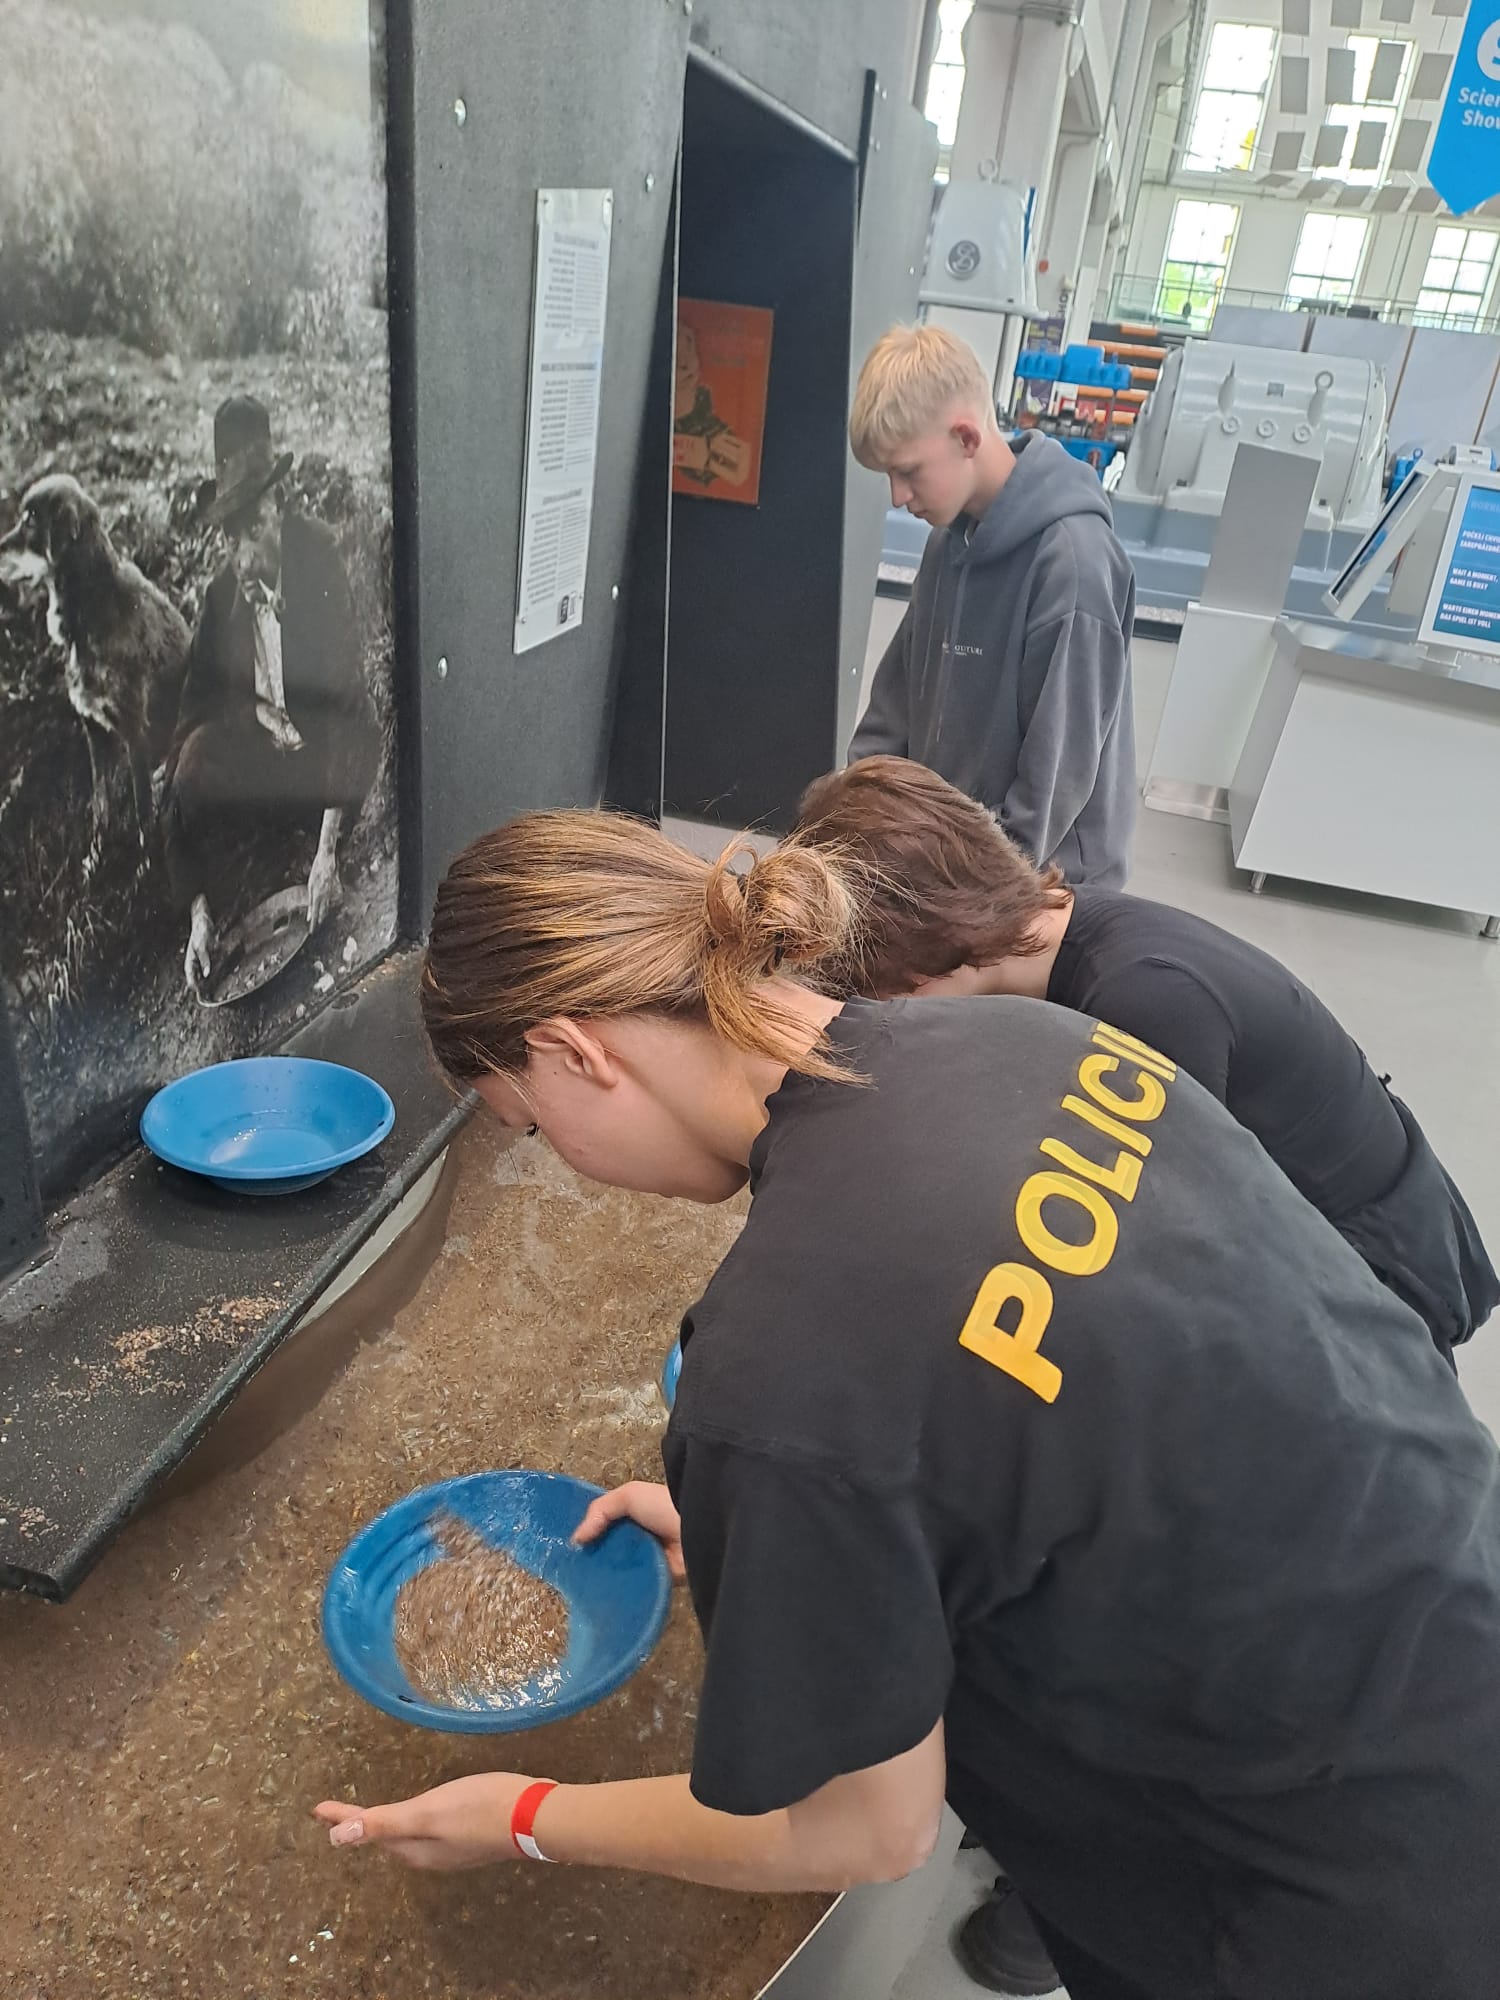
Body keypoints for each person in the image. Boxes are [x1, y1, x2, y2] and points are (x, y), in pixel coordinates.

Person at [314, 809, 1500, 2000]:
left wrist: (522, 1814)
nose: (565, 1158)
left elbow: (863, 1830)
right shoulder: (1034, 1038)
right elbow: (1093, 1389)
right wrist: (795, 1537)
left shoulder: (780, 1373)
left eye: (529, 1125)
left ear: (574, 1050)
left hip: (1339, 1892)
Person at [793, 755, 1500, 1992]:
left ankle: (1087, 1860)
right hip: (1282, 1247)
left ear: (913, 974)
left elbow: (1154, 1287)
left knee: (1171, 1556)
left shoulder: (1142, 999)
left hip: (1363, 1264)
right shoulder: (1076, 945)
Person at [849, 323, 1137, 888]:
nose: (897, 497)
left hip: (1041, 888)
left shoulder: (1073, 563)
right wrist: (849, 817)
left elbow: (1049, 793)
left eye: (907, 472)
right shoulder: (947, 542)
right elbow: (893, 714)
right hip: (948, 863)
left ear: (965, 437)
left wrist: (953, 892)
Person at [161, 394, 380, 991]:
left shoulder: (320, 560)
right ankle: (220, 900)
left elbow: (347, 703)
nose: (239, 555)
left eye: (249, 531)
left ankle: (322, 838)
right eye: (229, 538)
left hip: (321, 765)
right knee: (193, 756)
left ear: (275, 509)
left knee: (357, 723)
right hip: (264, 774)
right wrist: (197, 912)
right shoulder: (220, 598)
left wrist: (326, 853)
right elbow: (183, 738)